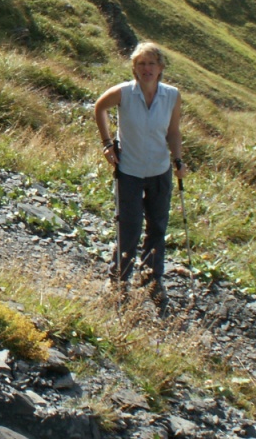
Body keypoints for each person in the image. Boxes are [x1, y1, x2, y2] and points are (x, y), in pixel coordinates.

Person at [94, 41, 184, 310]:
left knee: (157, 226)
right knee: (129, 226)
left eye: (152, 63)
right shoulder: (123, 93)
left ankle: (151, 279)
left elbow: (173, 132)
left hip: (160, 170)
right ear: (134, 68)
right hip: (129, 171)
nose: (147, 69)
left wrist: (178, 160)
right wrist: (107, 144)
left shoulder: (172, 95)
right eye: (141, 64)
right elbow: (99, 108)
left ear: (161, 67)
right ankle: (118, 281)